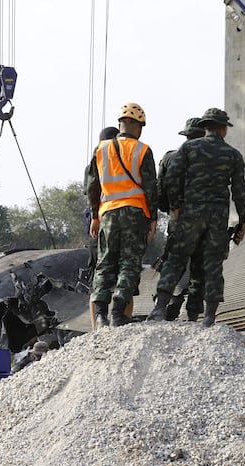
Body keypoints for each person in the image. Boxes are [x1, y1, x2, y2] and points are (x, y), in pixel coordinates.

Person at [147, 107, 245, 327]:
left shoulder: (188, 148)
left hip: (189, 214)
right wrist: (243, 221)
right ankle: (209, 317)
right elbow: (240, 192)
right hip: (217, 218)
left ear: (205, 127)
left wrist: (175, 206)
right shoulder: (233, 154)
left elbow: (171, 178)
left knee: (176, 259)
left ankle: (159, 308)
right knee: (212, 265)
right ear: (223, 129)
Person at [87, 102, 158, 329]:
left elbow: (92, 186)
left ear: (120, 125)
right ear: (139, 127)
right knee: (129, 264)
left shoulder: (101, 149)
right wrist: (153, 219)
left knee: (105, 263)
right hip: (135, 214)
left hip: (107, 213)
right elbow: (150, 188)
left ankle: (100, 315)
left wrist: (95, 215)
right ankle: (118, 314)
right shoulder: (143, 150)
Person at [156, 117, 206, 321]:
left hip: (178, 220)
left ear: (185, 135)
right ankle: (192, 315)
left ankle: (162, 306)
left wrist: (170, 210)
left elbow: (159, 193)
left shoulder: (170, 158)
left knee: (174, 264)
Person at [84, 126, 121, 330]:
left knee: (113, 278)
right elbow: (92, 192)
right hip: (102, 223)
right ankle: (97, 328)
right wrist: (96, 216)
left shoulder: (108, 160)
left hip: (109, 222)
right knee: (102, 277)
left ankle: (109, 326)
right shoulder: (98, 161)